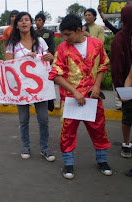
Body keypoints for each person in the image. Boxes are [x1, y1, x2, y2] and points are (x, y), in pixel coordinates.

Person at [49, 14, 112, 179]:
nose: (65, 38)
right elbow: (56, 74)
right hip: (71, 99)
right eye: (63, 35)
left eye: (68, 34)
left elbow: (103, 66)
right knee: (68, 132)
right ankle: (68, 164)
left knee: (99, 129)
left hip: (93, 97)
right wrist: (74, 91)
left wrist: (97, 85)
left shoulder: (97, 45)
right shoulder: (62, 48)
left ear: (79, 30)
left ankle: (102, 160)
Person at [5, 12, 55, 161]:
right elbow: (8, 66)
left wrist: (50, 57)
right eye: (21, 21)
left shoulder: (40, 41)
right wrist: (25, 60)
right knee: (24, 119)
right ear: (17, 25)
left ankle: (44, 148)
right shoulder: (12, 45)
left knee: (43, 118)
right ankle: (26, 146)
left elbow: (48, 61)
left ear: (31, 23)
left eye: (27, 20)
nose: (24, 22)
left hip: (40, 87)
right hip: (21, 88)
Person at [111, 5, 132, 159]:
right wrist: (120, 90)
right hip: (128, 84)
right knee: (128, 116)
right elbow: (117, 68)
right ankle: (126, 143)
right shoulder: (120, 39)